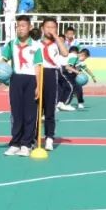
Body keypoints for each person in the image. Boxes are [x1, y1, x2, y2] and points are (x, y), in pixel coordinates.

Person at [0, 14, 41, 157]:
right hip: (16, 80)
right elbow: (4, 60)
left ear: (29, 27)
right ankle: (15, 143)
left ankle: (26, 144)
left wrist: (38, 86)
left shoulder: (36, 46)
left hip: (31, 80)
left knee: (30, 113)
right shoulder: (11, 44)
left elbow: (38, 67)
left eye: (23, 26)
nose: (20, 29)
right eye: (18, 26)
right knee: (16, 113)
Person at [38, 16, 66, 150]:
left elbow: (65, 53)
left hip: (51, 74)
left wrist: (56, 37)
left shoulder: (57, 43)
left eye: (53, 27)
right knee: (36, 108)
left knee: (49, 108)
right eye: (48, 27)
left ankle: (49, 137)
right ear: (42, 29)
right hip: (37, 74)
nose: (50, 29)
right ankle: (33, 137)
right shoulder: (36, 43)